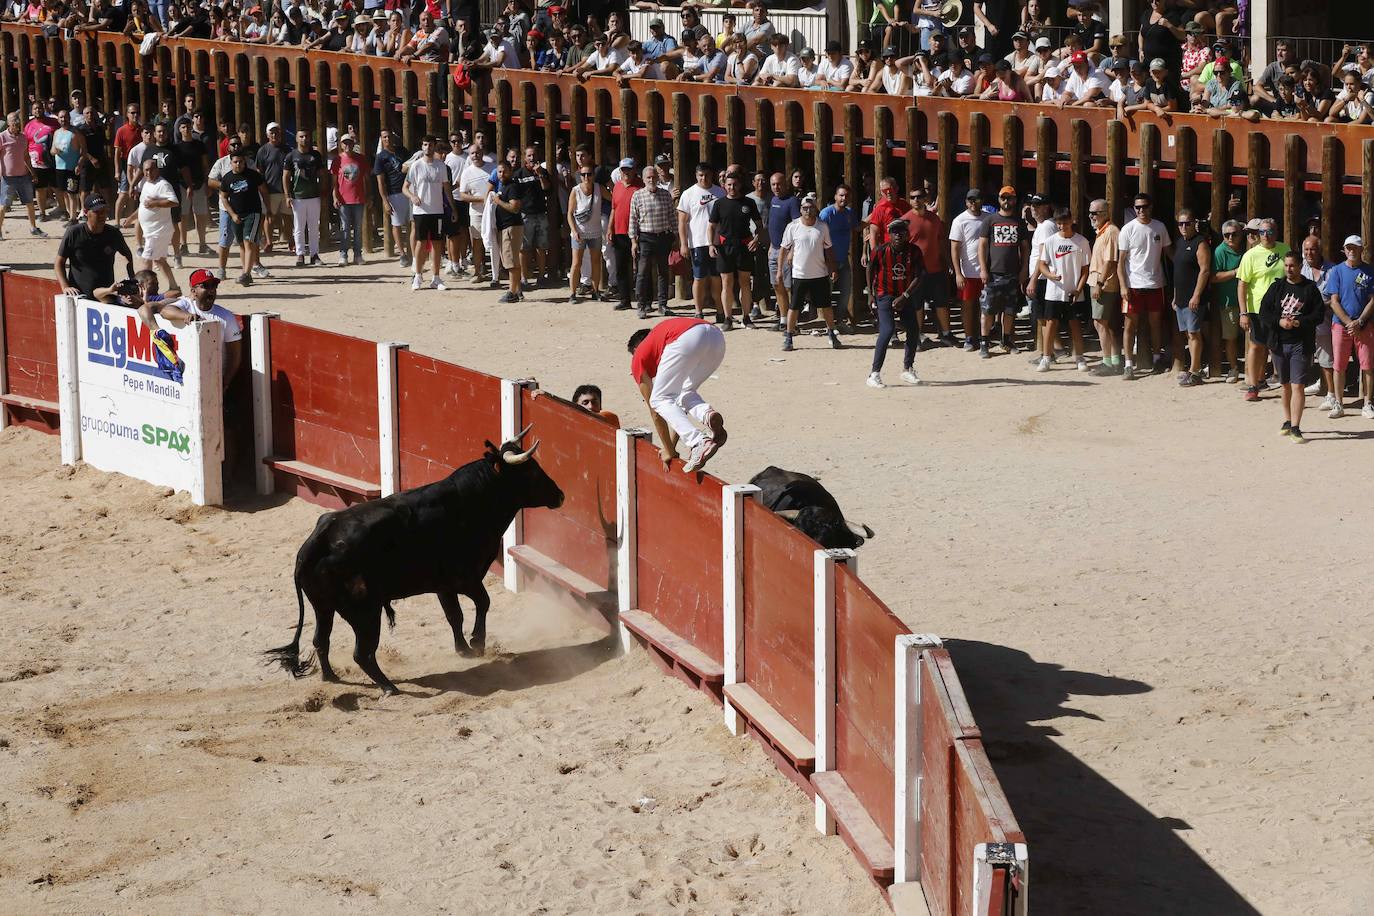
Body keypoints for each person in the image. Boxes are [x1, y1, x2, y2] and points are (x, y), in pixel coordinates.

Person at [628, 317, 728, 474]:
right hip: (716, 336)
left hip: (687, 338)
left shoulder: (638, 357)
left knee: (658, 399)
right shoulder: (661, 336)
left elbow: (655, 412)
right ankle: (707, 415)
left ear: (635, 350)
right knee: (684, 392)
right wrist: (670, 448)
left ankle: (698, 442)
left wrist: (668, 450)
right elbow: (677, 410)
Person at [138, 268, 243, 392]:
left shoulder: (226, 317)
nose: (211, 290)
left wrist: (225, 383)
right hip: (186, 379)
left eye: (213, 285)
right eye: (205, 286)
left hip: (213, 378)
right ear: (194, 291)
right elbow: (165, 311)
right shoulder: (186, 305)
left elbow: (235, 356)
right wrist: (185, 316)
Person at [1257, 252, 1323, 442]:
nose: (1288, 269)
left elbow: (1318, 315)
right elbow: (1264, 311)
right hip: (1278, 343)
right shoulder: (1277, 287)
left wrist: (1298, 323)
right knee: (1284, 385)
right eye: (1286, 266)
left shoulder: (1310, 288)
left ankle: (1296, 426)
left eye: (1292, 265)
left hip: (1300, 344)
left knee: (1298, 385)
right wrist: (1279, 322)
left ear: (1300, 266)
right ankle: (1287, 421)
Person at [1116, 193, 1172, 380]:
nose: (1141, 210)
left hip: (1156, 283)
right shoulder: (1127, 229)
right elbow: (1120, 262)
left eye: (1144, 206)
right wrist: (1123, 286)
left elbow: (1170, 253)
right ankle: (1129, 365)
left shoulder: (1160, 227)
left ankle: (1156, 359)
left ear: (1151, 207)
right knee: (1130, 325)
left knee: (1155, 324)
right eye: (1137, 207)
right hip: (1133, 285)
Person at [865, 216, 926, 388]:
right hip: (884, 294)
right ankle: (874, 374)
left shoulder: (914, 251)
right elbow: (870, 269)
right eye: (894, 232)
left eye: (901, 231)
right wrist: (870, 294)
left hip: (904, 295)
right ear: (889, 235)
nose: (898, 235)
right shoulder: (880, 250)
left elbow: (919, 276)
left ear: (907, 234)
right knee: (887, 330)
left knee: (913, 329)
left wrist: (905, 296)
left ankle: (908, 368)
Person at [1236, 218, 1290, 401]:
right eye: (1262, 232)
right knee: (1256, 346)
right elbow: (1242, 285)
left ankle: (1285, 384)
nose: (1266, 236)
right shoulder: (1250, 255)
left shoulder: (1285, 250)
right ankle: (1253, 385)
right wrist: (1243, 312)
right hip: (1258, 307)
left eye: (1269, 232)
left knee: (1280, 347)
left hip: (1282, 308)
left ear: (1276, 232)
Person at [778, 196, 837, 352]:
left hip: (819, 273)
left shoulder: (822, 227)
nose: (807, 210)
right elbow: (783, 249)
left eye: (810, 207)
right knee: (794, 307)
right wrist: (779, 271)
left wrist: (833, 268)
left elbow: (829, 249)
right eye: (804, 208)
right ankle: (789, 337)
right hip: (799, 274)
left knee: (826, 306)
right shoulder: (793, 227)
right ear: (800, 209)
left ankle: (832, 333)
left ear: (815, 209)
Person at [1035, 208, 1091, 372]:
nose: (1062, 226)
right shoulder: (1051, 241)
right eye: (1059, 223)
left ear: (1071, 221)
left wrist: (1078, 290)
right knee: (1051, 323)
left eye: (1065, 223)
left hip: (1073, 291)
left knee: (1075, 324)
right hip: (1054, 291)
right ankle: (1046, 358)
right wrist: (1049, 275)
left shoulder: (1082, 241)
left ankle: (1080, 358)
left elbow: (1085, 270)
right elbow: (1042, 264)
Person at [1324, 235, 1374, 420]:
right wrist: (1349, 323)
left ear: (1361, 250)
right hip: (1341, 325)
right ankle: (1338, 403)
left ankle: (1367, 402)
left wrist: (1360, 321)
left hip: (1365, 325)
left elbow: (1372, 299)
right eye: (1349, 248)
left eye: (1355, 248)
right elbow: (1333, 301)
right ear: (1344, 250)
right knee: (1339, 365)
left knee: (1367, 365)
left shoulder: (1370, 271)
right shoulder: (1336, 271)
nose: (1352, 251)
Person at [977, 186, 1029, 358]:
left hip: (1012, 274)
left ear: (1015, 200)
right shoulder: (990, 220)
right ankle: (984, 342)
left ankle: (1006, 340)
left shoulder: (1019, 222)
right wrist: (983, 269)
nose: (1007, 201)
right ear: (999, 199)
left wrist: (1023, 270)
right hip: (993, 274)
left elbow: (1025, 249)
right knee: (988, 309)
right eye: (1003, 198)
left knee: (1009, 310)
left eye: (1010, 198)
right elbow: (982, 245)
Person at [709, 170, 764, 329]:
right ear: (724, 186)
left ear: (740, 185)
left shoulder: (748, 202)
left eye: (735, 184)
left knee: (745, 283)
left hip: (744, 246)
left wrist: (756, 239)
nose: (732, 187)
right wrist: (711, 244)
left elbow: (760, 226)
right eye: (729, 185)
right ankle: (728, 318)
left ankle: (746, 317)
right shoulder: (719, 203)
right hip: (725, 247)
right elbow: (711, 226)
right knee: (726, 283)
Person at [54, 194, 133, 298]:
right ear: (86, 212)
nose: (102, 215)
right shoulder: (74, 233)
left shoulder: (113, 233)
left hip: (106, 295)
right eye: (97, 212)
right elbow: (59, 263)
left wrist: (132, 278)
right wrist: (65, 286)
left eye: (104, 211)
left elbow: (127, 255)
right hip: (79, 295)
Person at [678, 162, 725, 321]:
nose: (703, 178)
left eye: (706, 175)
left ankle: (720, 310)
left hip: (718, 242)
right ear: (696, 176)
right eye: (700, 175)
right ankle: (698, 311)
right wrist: (683, 244)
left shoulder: (720, 192)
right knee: (699, 277)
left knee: (716, 277)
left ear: (711, 175)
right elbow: (682, 221)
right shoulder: (688, 194)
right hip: (697, 241)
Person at [403, 136, 451, 292]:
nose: (427, 147)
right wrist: (412, 196)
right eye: (425, 144)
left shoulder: (441, 166)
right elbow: (405, 187)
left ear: (434, 146)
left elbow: (446, 189)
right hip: (421, 210)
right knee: (420, 243)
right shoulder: (416, 166)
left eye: (430, 145)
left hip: (437, 210)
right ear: (422, 146)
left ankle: (436, 278)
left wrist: (453, 208)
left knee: (437, 244)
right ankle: (417, 275)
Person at [1171, 208, 1212, 386]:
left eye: (1187, 223)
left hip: (1193, 299)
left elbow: (1205, 270)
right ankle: (1193, 367)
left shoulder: (1200, 243)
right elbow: (1178, 272)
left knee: (1194, 334)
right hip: (1180, 298)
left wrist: (1196, 295)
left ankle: (1195, 371)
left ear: (1194, 223)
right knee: (1188, 334)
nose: (1184, 227)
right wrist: (1175, 296)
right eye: (1180, 223)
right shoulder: (1180, 242)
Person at [629, 165, 675, 320]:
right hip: (646, 237)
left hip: (663, 236)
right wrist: (633, 241)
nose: (651, 180)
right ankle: (641, 305)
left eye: (654, 177)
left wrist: (676, 237)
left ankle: (663, 304)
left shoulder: (665, 195)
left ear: (658, 178)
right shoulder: (637, 195)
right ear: (643, 179)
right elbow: (633, 220)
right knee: (642, 272)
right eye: (648, 177)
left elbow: (672, 217)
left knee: (663, 271)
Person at [218, 148, 269, 286]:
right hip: (236, 215)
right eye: (236, 162)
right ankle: (245, 272)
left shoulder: (253, 175)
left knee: (249, 242)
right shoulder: (227, 178)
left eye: (241, 161)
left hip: (253, 213)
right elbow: (224, 198)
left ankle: (246, 274)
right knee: (241, 244)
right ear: (231, 163)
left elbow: (264, 191)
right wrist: (232, 214)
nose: (239, 164)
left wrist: (267, 209)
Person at [132, 158, 178, 291]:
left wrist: (156, 203)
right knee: (160, 260)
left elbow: (174, 202)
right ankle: (174, 287)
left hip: (158, 231)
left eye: (151, 169)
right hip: (152, 231)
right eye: (145, 170)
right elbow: (143, 206)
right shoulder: (146, 184)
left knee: (146, 260)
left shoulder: (163, 184)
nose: (147, 172)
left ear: (157, 170)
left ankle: (143, 291)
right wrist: (130, 218)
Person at [949, 188, 987, 350]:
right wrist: (958, 273)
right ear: (966, 202)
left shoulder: (988, 218)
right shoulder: (960, 220)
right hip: (968, 270)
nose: (973, 203)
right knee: (967, 304)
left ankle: (981, 335)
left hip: (985, 270)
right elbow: (954, 248)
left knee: (984, 306)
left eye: (976, 199)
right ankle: (969, 337)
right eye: (970, 200)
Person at [1210, 219, 1247, 384]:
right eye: (1227, 235)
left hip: (1248, 301)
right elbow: (1213, 277)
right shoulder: (1220, 251)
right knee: (1230, 338)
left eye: (1234, 234)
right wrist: (1235, 272)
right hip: (1229, 302)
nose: (1231, 237)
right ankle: (1234, 368)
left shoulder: (1247, 249)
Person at [284, 129, 326, 267]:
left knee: (314, 226)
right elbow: (285, 177)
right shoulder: (291, 156)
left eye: (306, 136)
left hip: (314, 196)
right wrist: (287, 195)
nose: (304, 139)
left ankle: (314, 254)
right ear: (296, 138)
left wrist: (323, 192)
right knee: (298, 227)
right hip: (298, 197)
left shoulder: (316, 155)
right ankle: (300, 254)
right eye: (301, 136)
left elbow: (321, 174)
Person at [0, 110, 44, 240]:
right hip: (7, 178)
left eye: (17, 120)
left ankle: (33, 228)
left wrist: (32, 172)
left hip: (24, 176)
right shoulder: (2, 137)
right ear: (8, 123)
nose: (15, 122)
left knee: (30, 203)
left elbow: (26, 157)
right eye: (13, 120)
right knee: (4, 205)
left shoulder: (23, 137)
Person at [330, 133, 369, 266]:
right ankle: (343, 254)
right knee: (345, 228)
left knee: (358, 228)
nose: (347, 145)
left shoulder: (361, 159)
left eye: (350, 143)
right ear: (341, 145)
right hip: (343, 199)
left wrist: (369, 196)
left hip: (358, 198)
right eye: (345, 143)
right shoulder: (337, 160)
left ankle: (358, 255)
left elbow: (366, 179)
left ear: (353, 144)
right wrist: (335, 196)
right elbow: (334, 181)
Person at [375, 128, 411, 269]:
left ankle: (412, 251)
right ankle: (402, 254)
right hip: (394, 193)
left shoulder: (403, 151)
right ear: (381, 139)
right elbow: (380, 181)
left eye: (389, 136)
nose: (387, 139)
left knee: (411, 223)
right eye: (384, 137)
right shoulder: (381, 157)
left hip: (408, 190)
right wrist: (385, 200)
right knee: (396, 224)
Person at [253, 122, 290, 260]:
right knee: (269, 216)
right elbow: (259, 170)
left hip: (285, 189)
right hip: (270, 188)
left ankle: (290, 239)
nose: (274, 135)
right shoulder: (263, 150)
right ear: (267, 135)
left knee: (287, 216)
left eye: (277, 132)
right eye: (272, 133)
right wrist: (261, 187)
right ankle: (269, 241)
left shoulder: (287, 149)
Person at [491, 158, 526, 302]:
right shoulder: (503, 186)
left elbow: (515, 207)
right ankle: (517, 291)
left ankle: (512, 292)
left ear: (510, 171)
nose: (501, 174)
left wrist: (498, 202)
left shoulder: (512, 187)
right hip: (505, 227)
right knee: (511, 261)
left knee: (511, 261)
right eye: (499, 171)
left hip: (511, 227)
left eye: (504, 171)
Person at [819, 184, 855, 327]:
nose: (843, 198)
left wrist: (875, 215)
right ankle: (828, 324)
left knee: (846, 292)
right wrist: (829, 263)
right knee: (827, 293)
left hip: (844, 259)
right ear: (835, 196)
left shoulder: (849, 213)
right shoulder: (826, 214)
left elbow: (856, 226)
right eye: (841, 195)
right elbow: (819, 237)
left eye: (846, 195)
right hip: (827, 260)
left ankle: (840, 320)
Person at [610, 159, 642, 311]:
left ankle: (644, 300)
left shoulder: (640, 186)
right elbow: (614, 209)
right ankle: (625, 299)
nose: (626, 172)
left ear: (634, 170)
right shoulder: (617, 187)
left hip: (637, 232)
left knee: (641, 267)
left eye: (628, 169)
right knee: (621, 267)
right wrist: (610, 228)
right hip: (620, 232)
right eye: (623, 170)